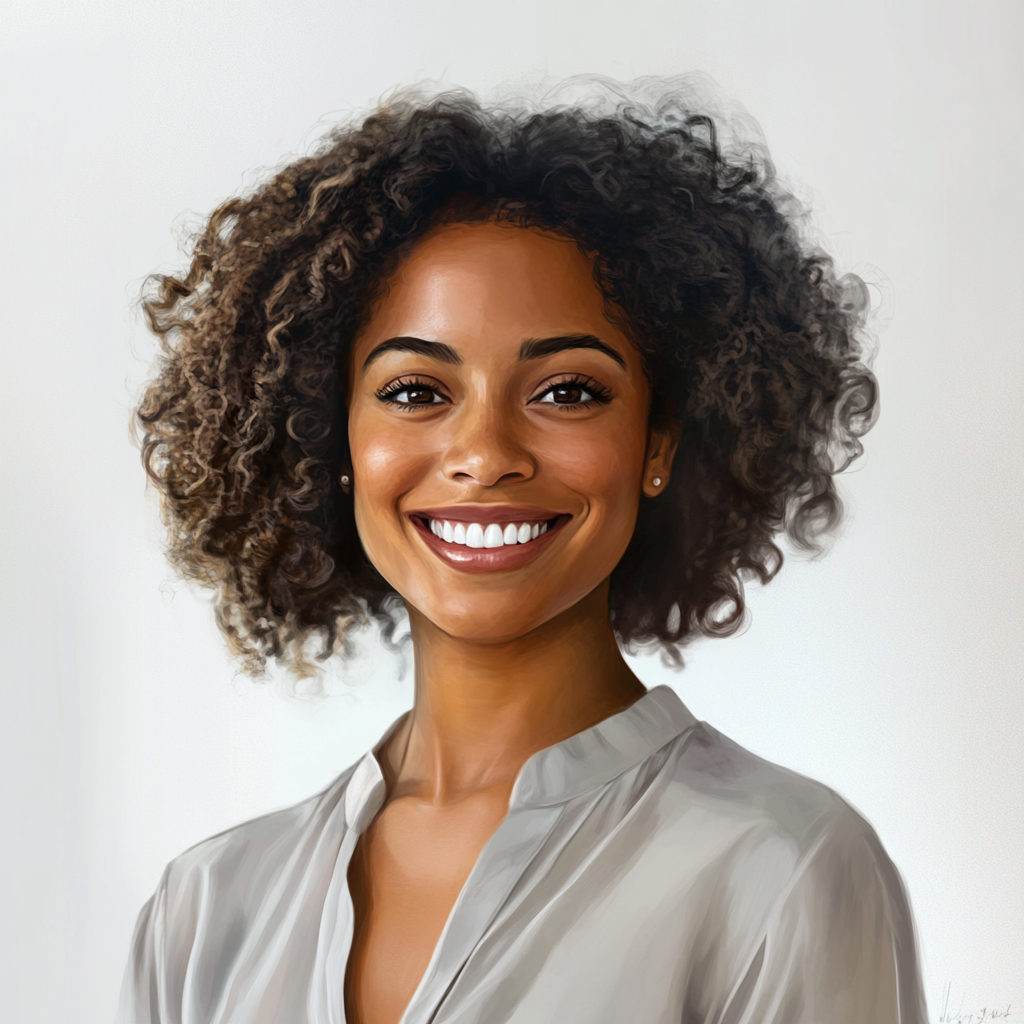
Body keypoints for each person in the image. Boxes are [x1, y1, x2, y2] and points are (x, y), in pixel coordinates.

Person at [118, 81, 926, 1024]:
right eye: (417, 392)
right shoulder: (207, 909)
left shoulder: (781, 871)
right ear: (329, 442)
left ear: (657, 444)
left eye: (569, 391)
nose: (486, 455)